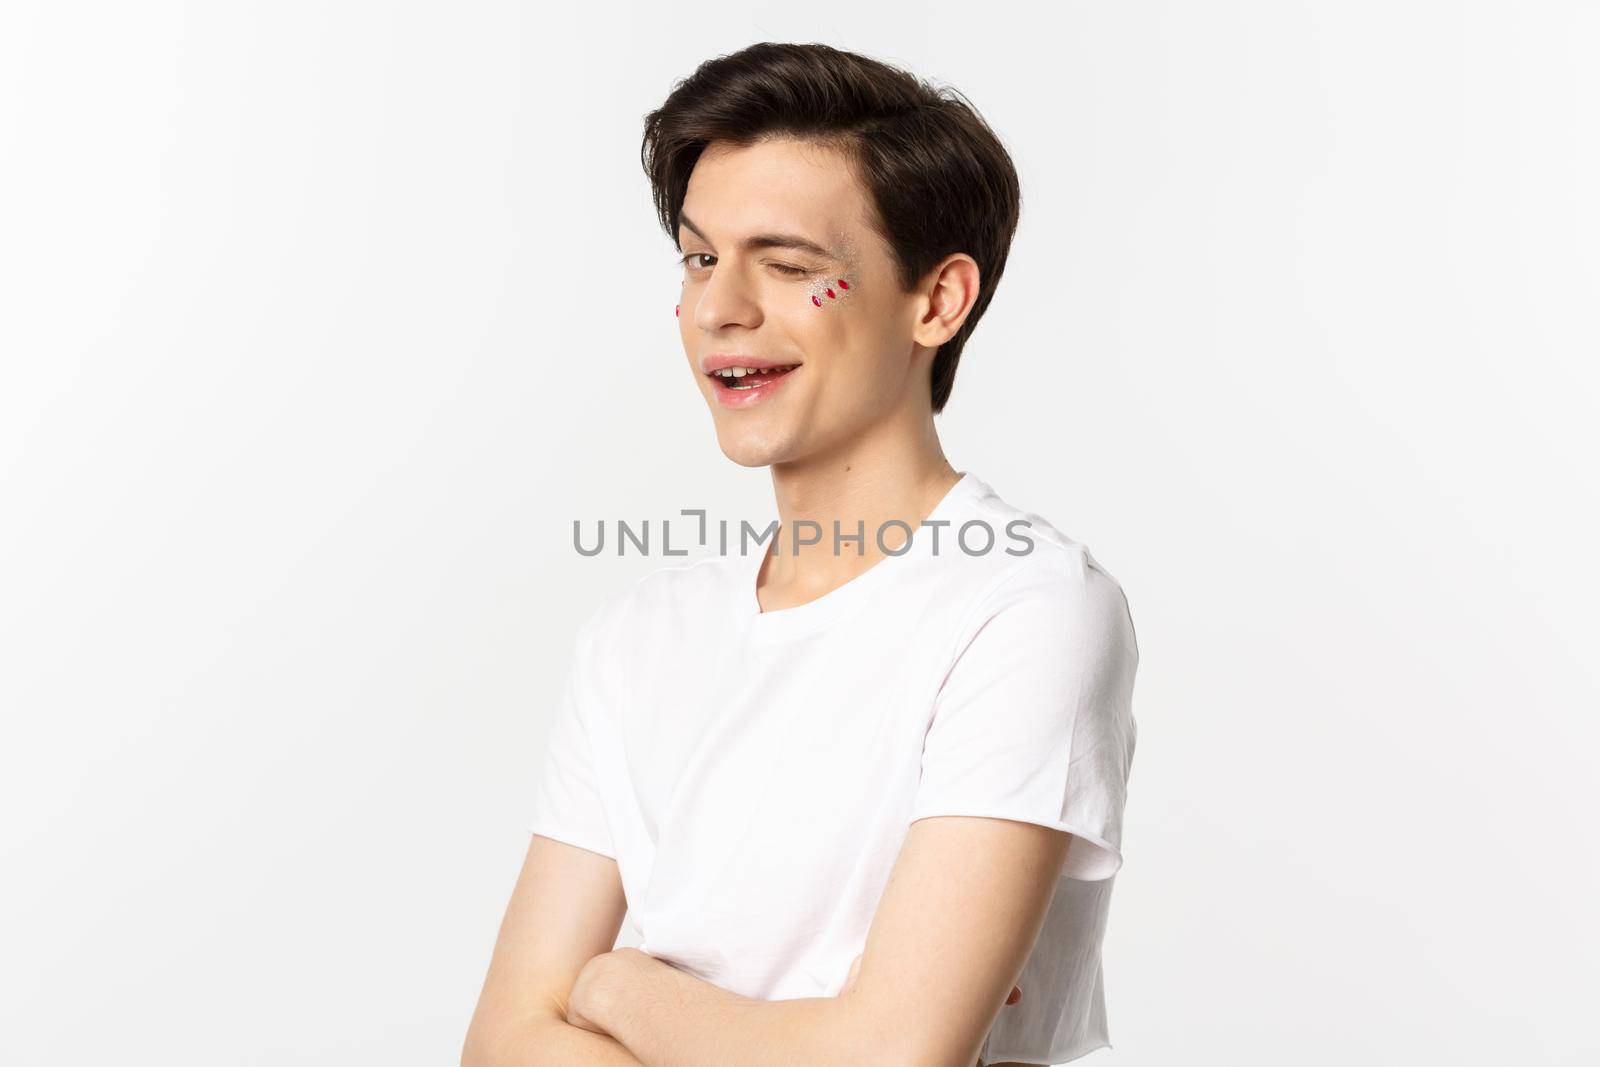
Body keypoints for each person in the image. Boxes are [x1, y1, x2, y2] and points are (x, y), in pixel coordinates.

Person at [463, 42, 1139, 1067]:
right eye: (699, 258)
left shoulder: (1026, 610)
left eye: (787, 266)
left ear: (937, 300)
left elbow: (892, 1054)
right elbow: (503, 1042)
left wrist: (614, 984)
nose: (719, 308)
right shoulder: (635, 637)